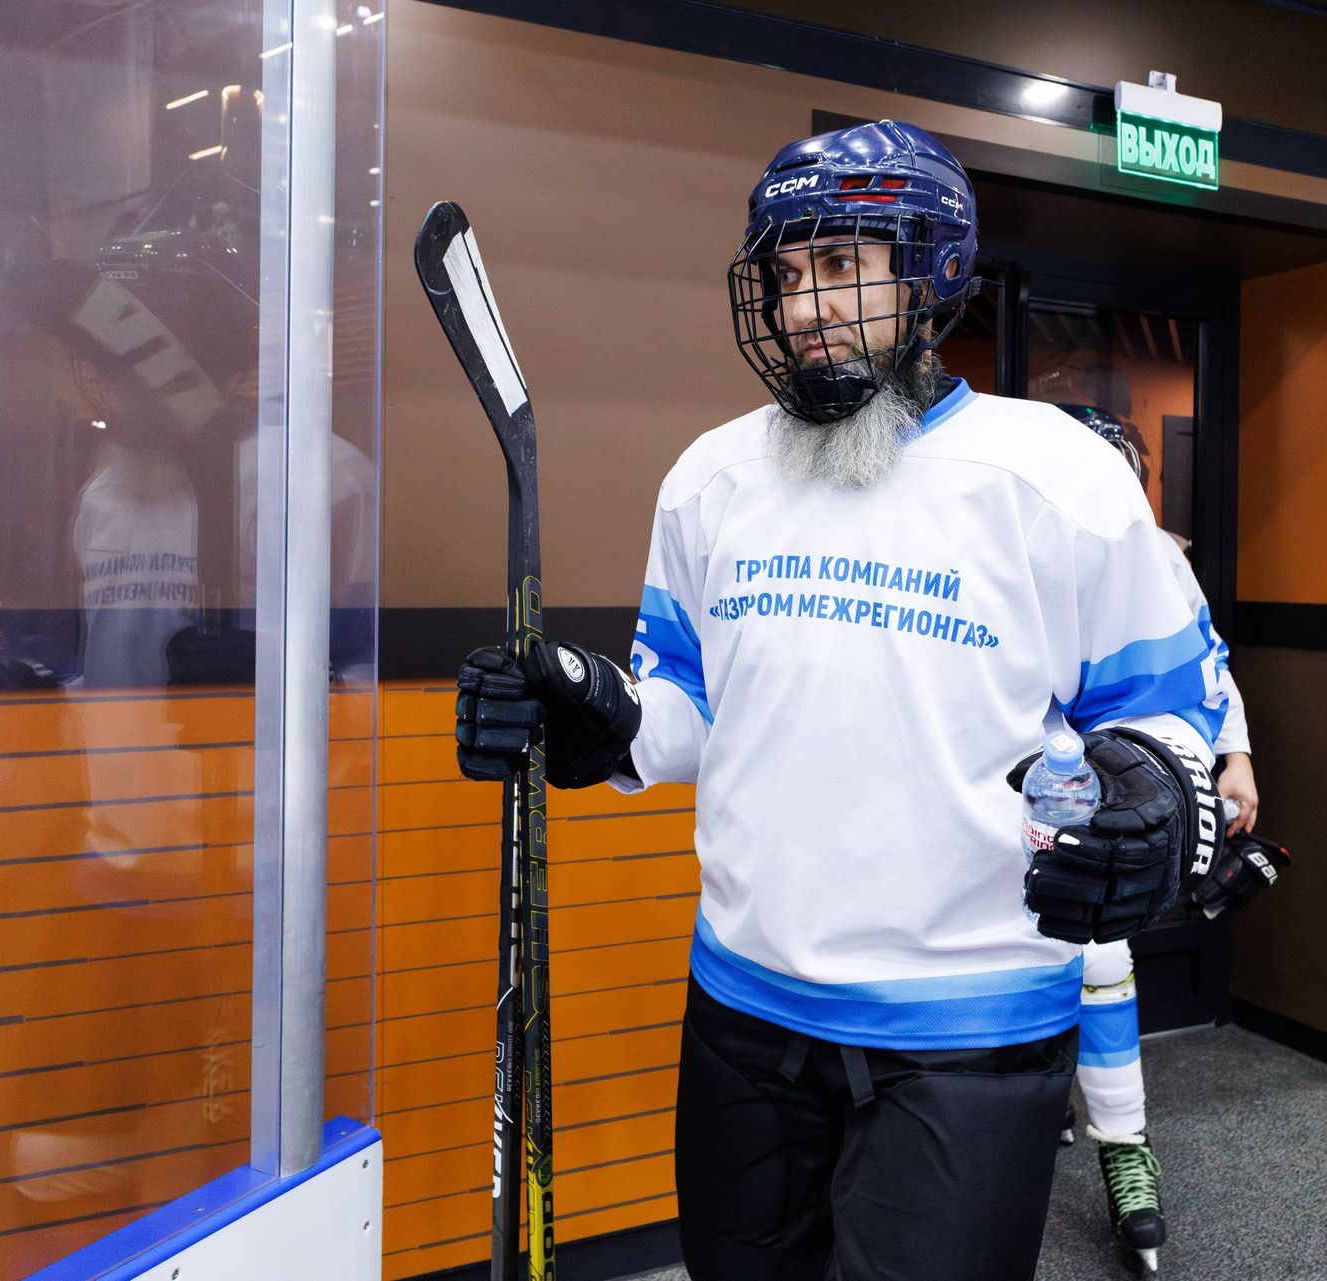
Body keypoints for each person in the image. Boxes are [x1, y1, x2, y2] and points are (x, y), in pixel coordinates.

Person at [454, 120, 1240, 1281]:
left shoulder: (1056, 475)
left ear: (929, 273)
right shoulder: (711, 477)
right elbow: (689, 706)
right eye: (784, 276)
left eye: (838, 265)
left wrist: (1155, 798)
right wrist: (595, 716)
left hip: (968, 1026)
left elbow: (1163, 708)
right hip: (743, 1007)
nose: (805, 305)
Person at [1052, 403, 1261, 1274]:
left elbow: (1208, 660)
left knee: (1099, 952)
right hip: (991, 784)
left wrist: (1235, 754)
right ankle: (1033, 1106)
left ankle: (1122, 1143)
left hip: (1099, 783)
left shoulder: (1159, 562)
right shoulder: (999, 539)